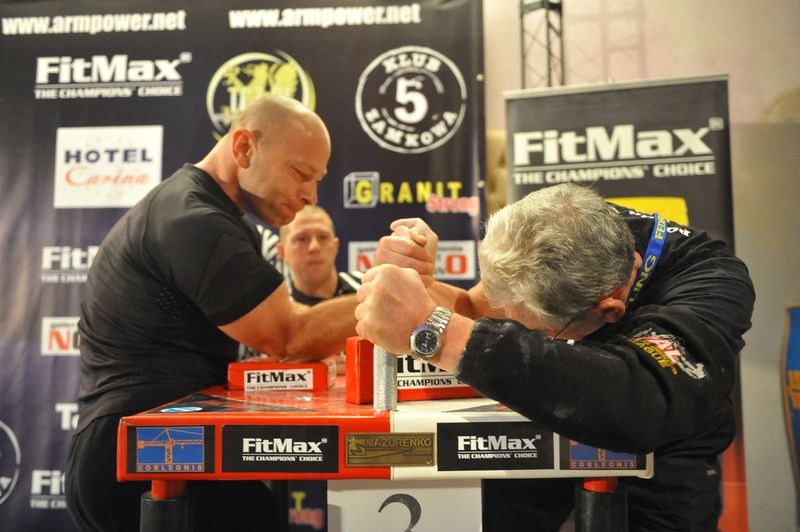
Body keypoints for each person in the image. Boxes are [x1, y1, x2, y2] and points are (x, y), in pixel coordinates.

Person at [354, 183, 755, 531]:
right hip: (545, 423)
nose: (515, 328)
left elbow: (641, 400)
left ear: (608, 310)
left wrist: (435, 333)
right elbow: (474, 309)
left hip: (662, 458)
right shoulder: (565, 227)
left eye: (539, 332)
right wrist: (419, 284)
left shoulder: (711, 282)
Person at [65, 95, 358, 532]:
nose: (310, 195)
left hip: (165, 439)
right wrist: (398, 292)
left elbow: (273, 346)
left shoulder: (216, 217)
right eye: (300, 173)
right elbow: (290, 334)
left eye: (317, 180)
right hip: (139, 456)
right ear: (243, 147)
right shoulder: (193, 219)